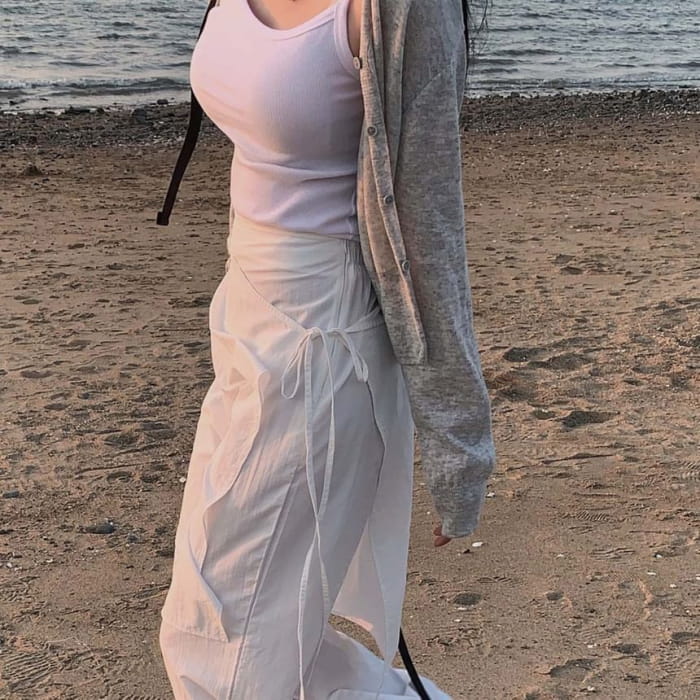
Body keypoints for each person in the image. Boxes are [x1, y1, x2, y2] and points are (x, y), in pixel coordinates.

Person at [155, 1, 495, 698]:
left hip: (327, 343)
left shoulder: (401, 11)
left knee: (229, 652)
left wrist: (459, 443)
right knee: (226, 624)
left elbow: (429, 222)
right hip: (245, 316)